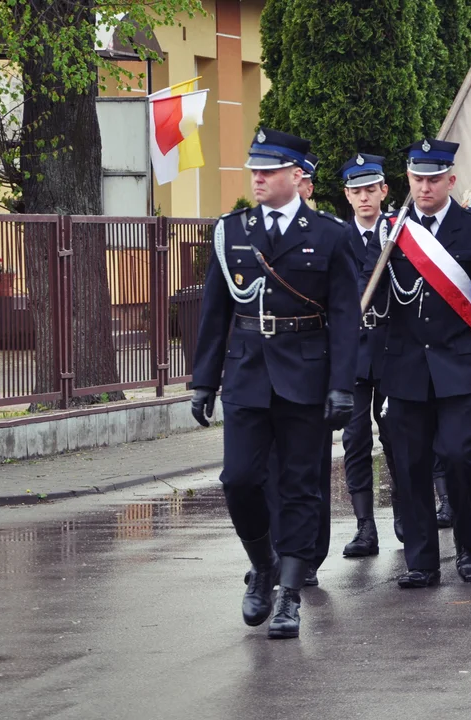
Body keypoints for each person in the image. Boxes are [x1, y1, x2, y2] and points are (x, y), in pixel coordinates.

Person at [190, 127, 359, 639]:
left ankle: (288, 595)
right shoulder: (232, 230)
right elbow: (214, 310)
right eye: (254, 170)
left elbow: (346, 315)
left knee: (300, 486)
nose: (257, 178)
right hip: (245, 371)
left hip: (306, 375)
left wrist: (342, 385)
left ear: (296, 176)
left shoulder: (330, 234)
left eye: (268, 170)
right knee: (238, 479)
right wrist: (204, 381)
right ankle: (261, 565)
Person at [380, 138, 471, 588]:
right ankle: (421, 561)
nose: (425, 187)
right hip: (405, 368)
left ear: (451, 181)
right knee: (411, 464)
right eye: (417, 179)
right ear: (408, 180)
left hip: (459, 365)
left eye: (434, 179)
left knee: (459, 456)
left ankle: (466, 543)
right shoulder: (392, 231)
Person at [339, 153, 401, 557]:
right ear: (347, 195)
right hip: (354, 350)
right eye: (356, 191)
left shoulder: (399, 232)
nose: (364, 197)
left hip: (394, 345)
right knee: (355, 438)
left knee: (399, 435)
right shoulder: (336, 237)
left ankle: (406, 511)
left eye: (370, 189)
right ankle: (365, 527)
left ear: (384, 191)